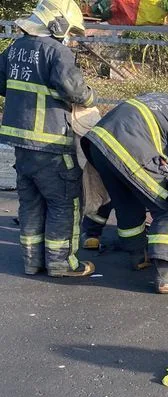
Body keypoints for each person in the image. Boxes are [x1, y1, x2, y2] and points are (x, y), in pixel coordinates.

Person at [81, 91, 168, 294]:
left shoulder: (165, 102)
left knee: (127, 201)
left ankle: (138, 257)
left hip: (99, 143)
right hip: (128, 146)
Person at [0, 0, 96, 277]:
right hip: (51, 144)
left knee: (30, 203)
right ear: (58, 24)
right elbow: (77, 92)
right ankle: (61, 263)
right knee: (63, 202)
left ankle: (32, 262)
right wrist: (91, 97)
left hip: (21, 145)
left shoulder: (15, 48)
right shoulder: (57, 51)